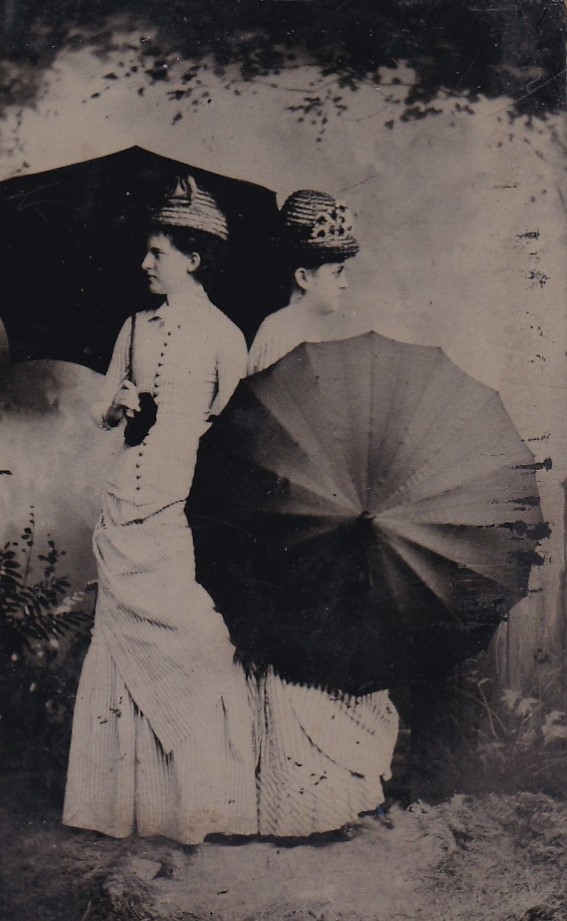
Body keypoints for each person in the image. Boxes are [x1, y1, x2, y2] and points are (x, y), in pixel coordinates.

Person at [63, 177, 257, 845]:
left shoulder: (224, 335)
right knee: (121, 632)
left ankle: (198, 803)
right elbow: (101, 406)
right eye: (146, 252)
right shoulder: (133, 326)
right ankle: (120, 803)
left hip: (182, 499)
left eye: (157, 253)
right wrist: (117, 406)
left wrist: (193, 435)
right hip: (126, 495)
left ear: (193, 259)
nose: (144, 263)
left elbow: (239, 426)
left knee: (188, 634)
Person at [248, 190, 399, 837]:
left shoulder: (308, 334)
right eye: (336, 270)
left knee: (339, 640)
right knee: (301, 649)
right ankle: (303, 804)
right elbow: (268, 435)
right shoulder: (278, 335)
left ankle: (337, 796)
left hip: (323, 510)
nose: (345, 282)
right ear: (302, 275)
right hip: (293, 516)